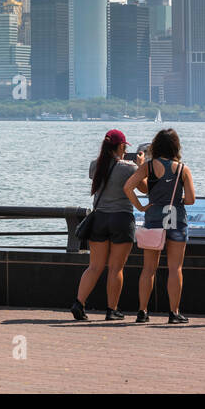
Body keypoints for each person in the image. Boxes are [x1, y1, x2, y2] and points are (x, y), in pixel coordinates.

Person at [125, 128, 195, 324]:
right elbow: (190, 199)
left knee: (148, 269)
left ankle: (142, 311)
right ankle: (174, 313)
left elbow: (128, 187)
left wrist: (140, 206)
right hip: (177, 220)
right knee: (175, 268)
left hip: (154, 219)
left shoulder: (148, 167)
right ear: (176, 146)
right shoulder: (183, 169)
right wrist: (175, 198)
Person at [72, 130, 141, 321]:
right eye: (125, 146)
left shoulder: (95, 165)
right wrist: (140, 166)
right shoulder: (129, 168)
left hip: (99, 219)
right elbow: (143, 187)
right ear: (121, 146)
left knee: (94, 266)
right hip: (121, 219)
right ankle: (112, 310)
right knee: (116, 268)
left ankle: (79, 302)